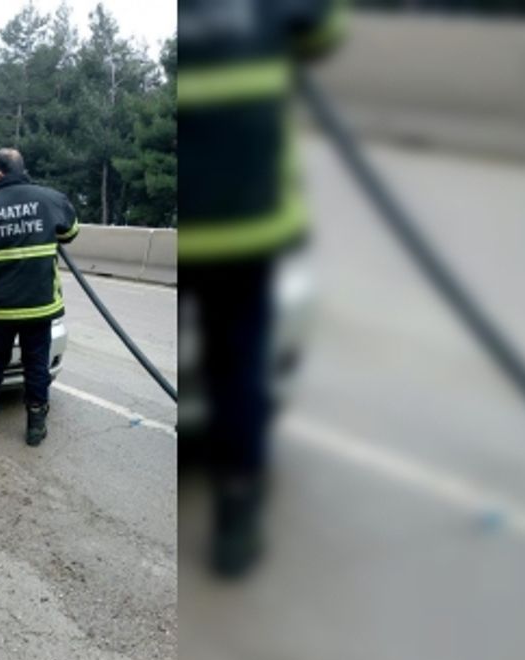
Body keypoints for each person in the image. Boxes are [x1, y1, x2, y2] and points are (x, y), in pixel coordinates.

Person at [179, 0, 347, 577]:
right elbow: (329, 31)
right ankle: (236, 521)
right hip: (251, 227)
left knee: (192, 361)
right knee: (238, 373)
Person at [0, 148, 79, 446]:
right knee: (36, 364)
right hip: (40, 306)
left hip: (0, 309)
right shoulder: (50, 199)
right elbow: (70, 232)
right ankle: (36, 426)